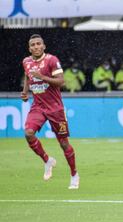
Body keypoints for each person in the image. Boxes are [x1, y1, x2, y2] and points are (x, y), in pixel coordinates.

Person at [21, 34, 79, 189]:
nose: (36, 46)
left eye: (38, 44)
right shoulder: (26, 62)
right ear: (29, 48)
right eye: (32, 44)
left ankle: (74, 174)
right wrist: (25, 92)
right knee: (28, 133)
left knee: (64, 143)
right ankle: (47, 160)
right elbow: (28, 77)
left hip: (55, 108)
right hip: (38, 106)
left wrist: (42, 77)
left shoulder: (52, 60)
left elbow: (61, 81)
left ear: (44, 46)